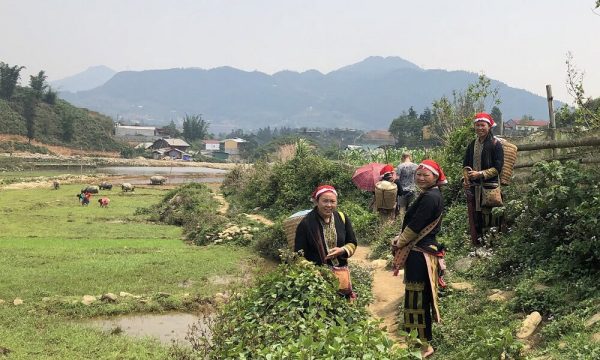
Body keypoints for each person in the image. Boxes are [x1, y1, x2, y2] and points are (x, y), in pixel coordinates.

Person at [391, 160, 447, 359]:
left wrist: (399, 242)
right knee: (416, 297)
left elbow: (415, 226)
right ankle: (417, 341)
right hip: (421, 252)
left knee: (417, 299)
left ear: (435, 177)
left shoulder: (430, 197)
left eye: (426, 175)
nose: (421, 178)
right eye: (419, 175)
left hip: (420, 255)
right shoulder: (429, 194)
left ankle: (423, 345)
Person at [294, 185, 358, 299]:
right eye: (325, 201)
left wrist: (342, 249)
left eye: (332, 201)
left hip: (341, 274)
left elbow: (352, 242)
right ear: (317, 202)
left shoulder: (342, 218)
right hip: (317, 279)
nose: (329, 205)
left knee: (342, 304)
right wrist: (312, 271)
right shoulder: (306, 224)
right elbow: (298, 255)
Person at [463, 112, 504, 245]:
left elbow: (498, 168)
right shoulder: (472, 145)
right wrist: (466, 179)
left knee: (490, 215)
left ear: (489, 127)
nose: (480, 128)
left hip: (490, 187)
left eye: (482, 125)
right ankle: (479, 242)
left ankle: (492, 242)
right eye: (477, 125)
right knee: (476, 215)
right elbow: (466, 165)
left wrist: (480, 174)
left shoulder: (495, 144)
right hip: (474, 188)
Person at [396, 152, 418, 218]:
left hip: (402, 191)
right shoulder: (416, 166)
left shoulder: (400, 166)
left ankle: (401, 224)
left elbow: (397, 179)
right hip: (413, 189)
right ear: (410, 157)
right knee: (412, 209)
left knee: (402, 209)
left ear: (402, 157)